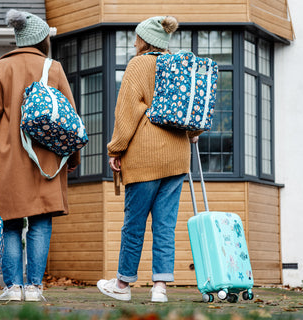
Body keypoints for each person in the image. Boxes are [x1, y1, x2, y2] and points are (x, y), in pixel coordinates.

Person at [0, 9, 80, 302]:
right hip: (46, 159)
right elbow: (70, 118)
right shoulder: (53, 68)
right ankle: (34, 288)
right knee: (41, 221)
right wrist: (72, 159)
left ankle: (13, 287)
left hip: (7, 159)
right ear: (41, 39)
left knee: (8, 221)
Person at [97, 16, 200, 303]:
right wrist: (192, 133)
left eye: (137, 37)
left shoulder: (139, 65)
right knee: (165, 225)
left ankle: (122, 284)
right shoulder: (180, 65)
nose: (133, 42)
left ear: (145, 40)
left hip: (144, 157)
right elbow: (193, 110)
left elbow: (126, 112)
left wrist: (115, 149)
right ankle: (160, 288)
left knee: (134, 223)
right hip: (178, 157)